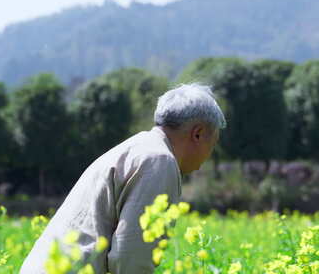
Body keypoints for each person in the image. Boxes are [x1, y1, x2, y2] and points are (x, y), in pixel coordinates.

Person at [20, 83, 226, 273]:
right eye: (213, 142)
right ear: (197, 134)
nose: (210, 153)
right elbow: (131, 259)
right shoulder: (159, 160)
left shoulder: (140, 148)